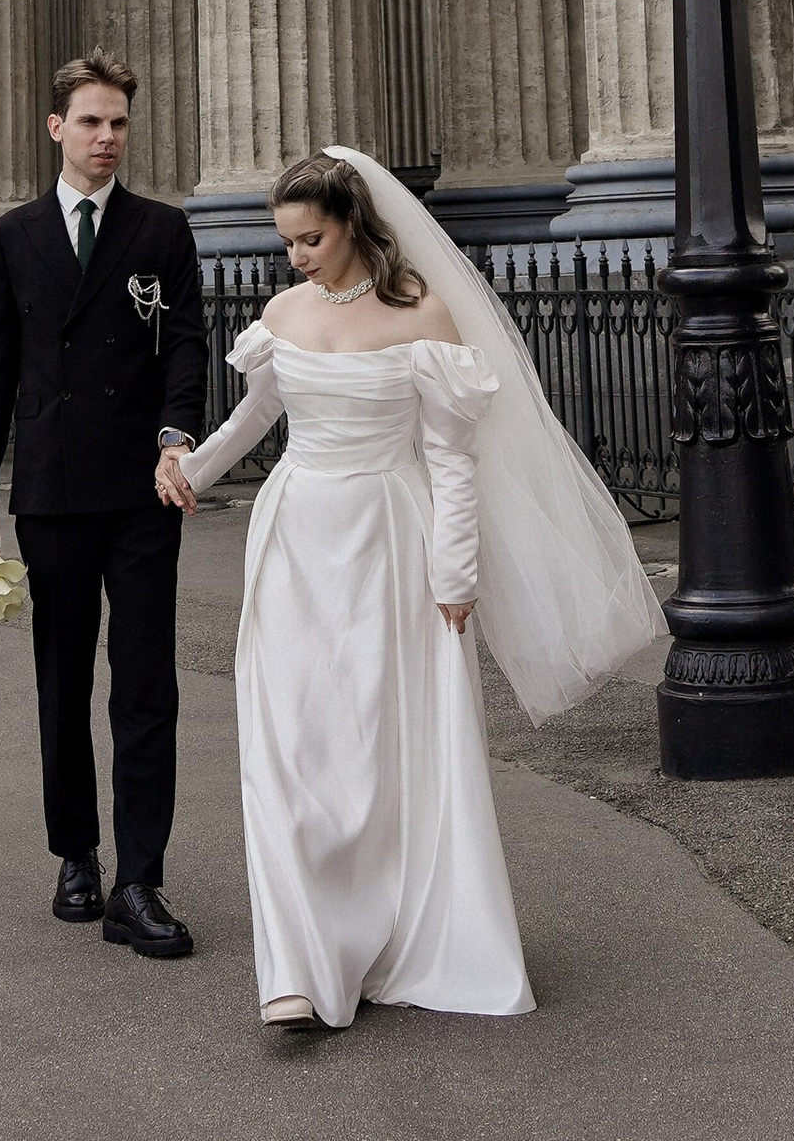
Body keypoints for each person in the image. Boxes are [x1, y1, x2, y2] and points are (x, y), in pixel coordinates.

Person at [158, 145, 666, 1030]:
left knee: (382, 743)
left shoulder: (423, 314)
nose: (297, 257)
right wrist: (191, 467)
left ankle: (397, 936)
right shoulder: (282, 312)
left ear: (353, 225)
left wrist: (456, 572)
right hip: (294, 537)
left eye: (311, 239)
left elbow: (452, 460)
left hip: (391, 539)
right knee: (288, 741)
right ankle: (300, 966)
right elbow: (258, 413)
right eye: (287, 242)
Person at [0, 54, 206, 960]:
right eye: (92, 122)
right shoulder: (16, 235)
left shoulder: (160, 230)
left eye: (120, 124)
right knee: (62, 682)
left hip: (142, 488)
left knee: (145, 685)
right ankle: (76, 853)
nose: (108, 138)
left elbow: (186, 343)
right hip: (53, 490)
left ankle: (139, 879)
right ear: (57, 127)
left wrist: (178, 437)